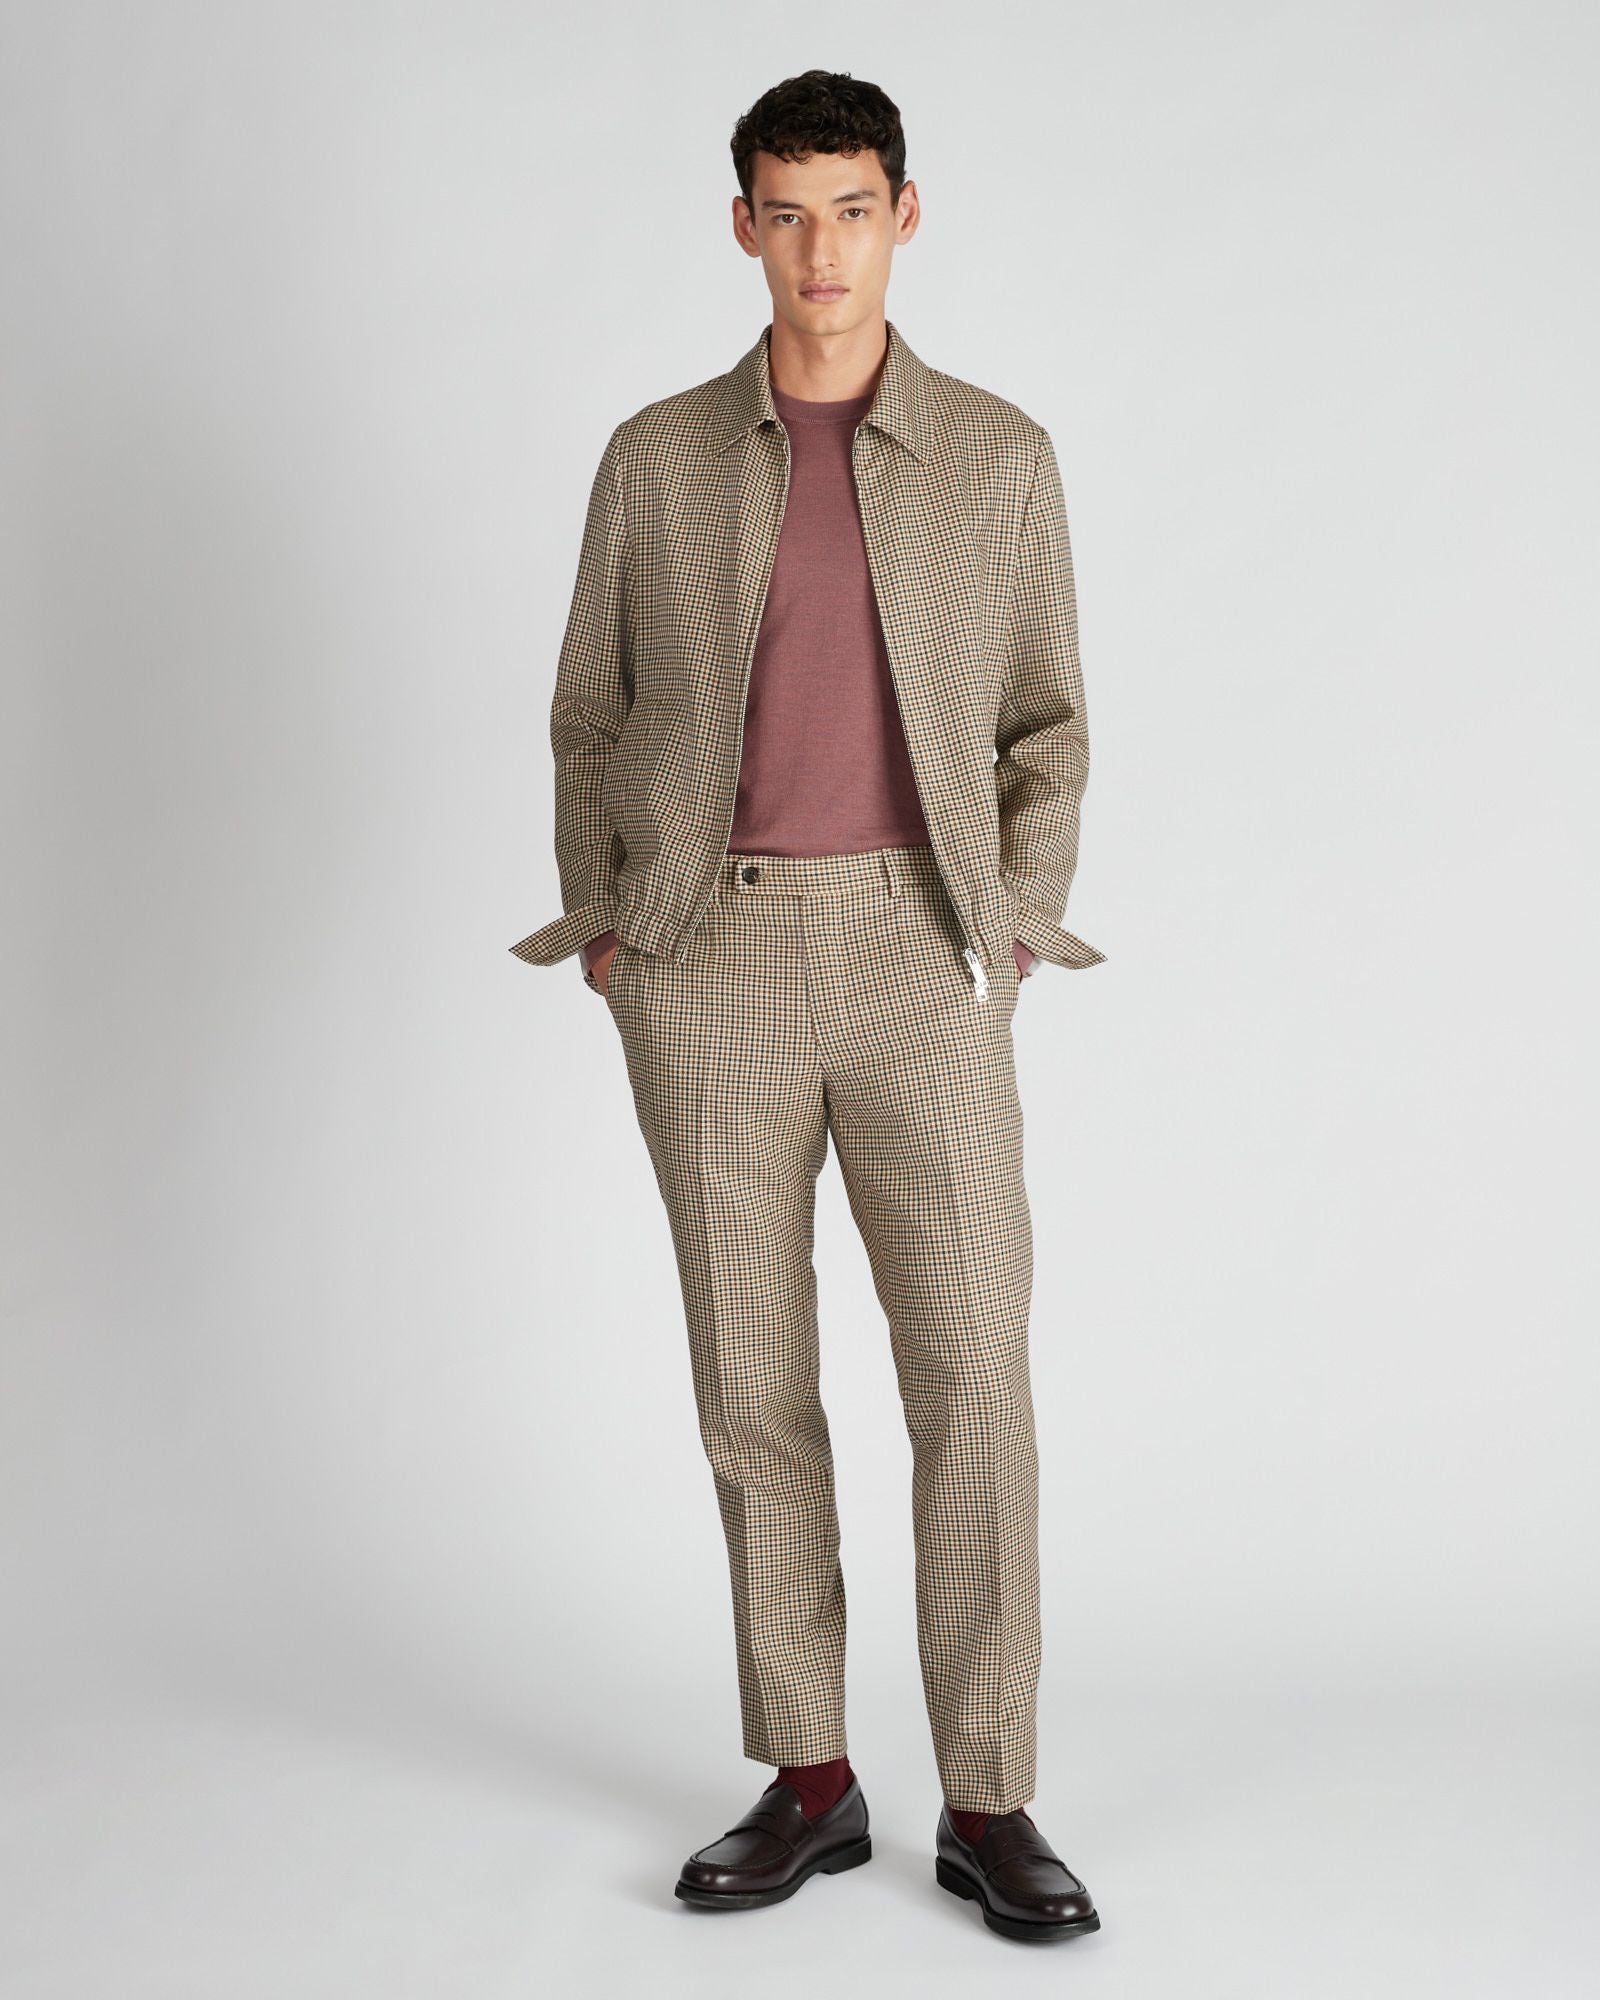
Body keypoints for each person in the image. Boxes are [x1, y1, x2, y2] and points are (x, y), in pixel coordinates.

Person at [510, 69, 1106, 1944]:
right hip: (717, 952)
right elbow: (589, 708)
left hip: (924, 946)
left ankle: (989, 1796)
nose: (820, 249)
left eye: (852, 209)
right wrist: (619, 933)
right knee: (752, 1388)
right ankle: (812, 1781)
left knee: (974, 1378)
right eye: (787, 211)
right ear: (743, 226)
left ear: (904, 216)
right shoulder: (657, 458)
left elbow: (1048, 720)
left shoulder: (997, 455)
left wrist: (1011, 921)